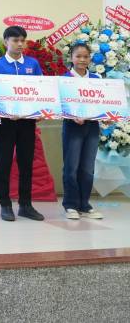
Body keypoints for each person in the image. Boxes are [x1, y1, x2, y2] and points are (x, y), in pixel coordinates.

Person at [0, 25, 45, 222]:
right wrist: (5, 112)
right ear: (6, 42)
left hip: (27, 122)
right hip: (5, 123)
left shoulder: (32, 63)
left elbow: (40, 90)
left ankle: (25, 205)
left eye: (23, 40)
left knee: (26, 164)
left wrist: (41, 111)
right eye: (15, 40)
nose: (20, 44)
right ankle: (5, 204)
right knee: (4, 163)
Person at [61, 43, 103, 220]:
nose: (82, 60)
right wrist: (72, 116)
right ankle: (71, 205)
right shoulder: (64, 79)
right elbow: (60, 105)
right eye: (78, 56)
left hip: (92, 127)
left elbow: (103, 102)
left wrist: (107, 115)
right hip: (72, 127)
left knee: (87, 168)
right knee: (71, 167)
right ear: (71, 57)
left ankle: (85, 204)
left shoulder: (96, 79)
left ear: (90, 58)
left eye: (86, 56)